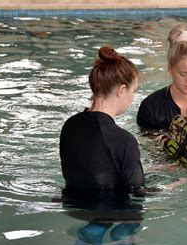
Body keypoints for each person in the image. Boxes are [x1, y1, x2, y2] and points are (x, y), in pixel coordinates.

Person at [60, 45, 146, 199]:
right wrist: (173, 186)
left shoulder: (70, 126)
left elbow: (98, 167)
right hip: (111, 217)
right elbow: (137, 194)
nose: (133, 98)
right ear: (122, 90)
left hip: (72, 208)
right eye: (134, 91)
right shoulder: (124, 141)